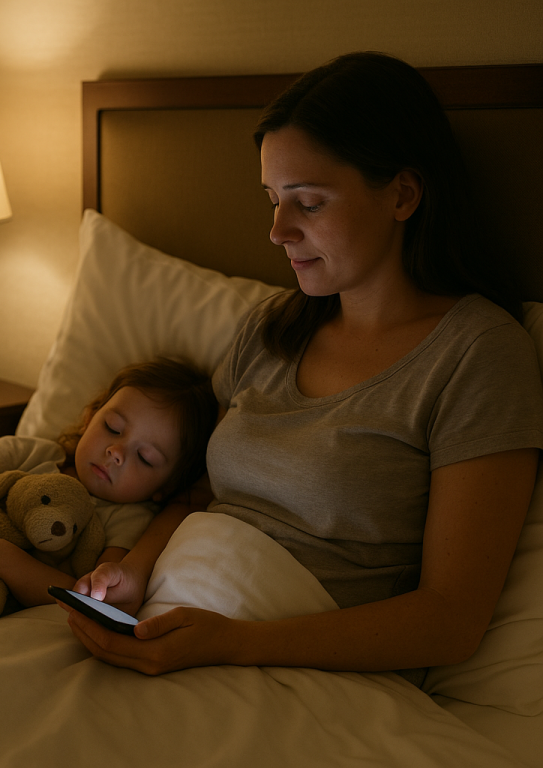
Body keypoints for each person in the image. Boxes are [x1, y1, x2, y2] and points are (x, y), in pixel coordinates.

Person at [61, 52, 543, 687]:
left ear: (402, 194)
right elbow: (201, 492)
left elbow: (450, 619)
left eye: (308, 203)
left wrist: (235, 644)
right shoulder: (271, 329)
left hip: (308, 668)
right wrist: (133, 569)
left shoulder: (477, 355)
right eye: (272, 198)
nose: (276, 230)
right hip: (182, 623)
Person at [0, 357, 218, 608]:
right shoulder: (30, 453)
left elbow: (90, 596)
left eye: (146, 458)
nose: (116, 452)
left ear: (166, 487)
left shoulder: (128, 521)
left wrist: (1, 559)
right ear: (89, 417)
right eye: (112, 427)